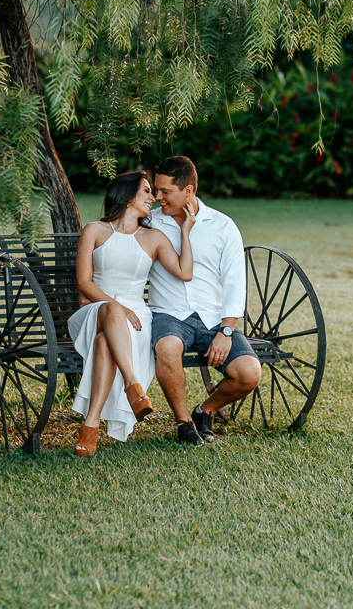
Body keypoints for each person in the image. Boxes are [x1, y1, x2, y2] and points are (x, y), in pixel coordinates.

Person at [67, 171, 195, 457]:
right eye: (146, 191)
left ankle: (90, 426)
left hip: (136, 321)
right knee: (112, 309)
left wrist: (185, 232)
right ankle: (132, 385)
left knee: (105, 343)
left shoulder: (154, 238)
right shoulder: (94, 230)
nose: (153, 198)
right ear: (126, 197)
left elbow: (184, 272)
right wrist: (121, 308)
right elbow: (84, 283)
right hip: (94, 312)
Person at [148, 156, 261, 446]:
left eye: (165, 191)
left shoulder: (222, 226)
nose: (157, 197)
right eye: (156, 189)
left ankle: (205, 411)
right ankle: (184, 423)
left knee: (249, 373)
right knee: (167, 348)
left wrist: (226, 330)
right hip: (169, 314)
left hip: (213, 318)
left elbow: (235, 281)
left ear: (188, 191)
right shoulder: (148, 223)